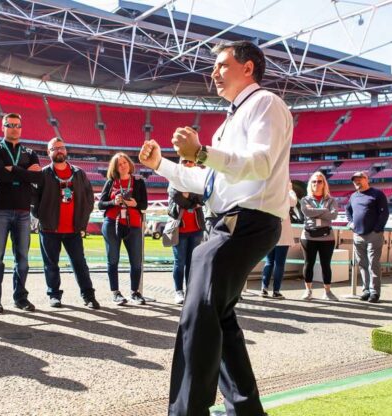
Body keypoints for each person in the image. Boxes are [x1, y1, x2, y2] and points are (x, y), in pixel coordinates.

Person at [139, 40, 292, 416]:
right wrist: (162, 164)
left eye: (222, 65)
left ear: (248, 68)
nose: (214, 73)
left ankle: (187, 410)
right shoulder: (231, 118)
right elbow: (208, 182)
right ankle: (245, 409)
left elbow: (260, 163)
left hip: (247, 220)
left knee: (199, 310)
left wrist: (202, 152)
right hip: (232, 221)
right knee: (218, 316)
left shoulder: (265, 103)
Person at [33, 138, 100, 309]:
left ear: (66, 150)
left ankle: (88, 295)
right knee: (51, 264)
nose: (58, 151)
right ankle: (54, 295)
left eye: (61, 147)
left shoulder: (79, 173)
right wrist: (43, 217)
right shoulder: (43, 174)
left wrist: (82, 221)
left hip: (73, 229)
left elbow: (89, 198)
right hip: (49, 229)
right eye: (54, 148)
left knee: (80, 263)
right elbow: (34, 200)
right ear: (48, 153)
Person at [0, 113, 42, 313]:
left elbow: (39, 177)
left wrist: (14, 169)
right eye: (10, 125)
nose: (14, 128)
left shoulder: (30, 151)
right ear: (3, 127)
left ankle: (21, 298)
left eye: (18, 125)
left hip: (23, 211)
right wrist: (25, 172)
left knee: (23, 258)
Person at [98, 152, 148, 305]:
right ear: (115, 167)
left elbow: (144, 205)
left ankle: (135, 292)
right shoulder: (111, 182)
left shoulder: (138, 182)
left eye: (125, 162)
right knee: (113, 260)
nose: (123, 166)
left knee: (136, 260)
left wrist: (134, 204)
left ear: (129, 164)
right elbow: (101, 204)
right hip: (112, 223)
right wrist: (113, 201)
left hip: (133, 224)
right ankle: (116, 293)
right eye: (119, 164)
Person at [346, 171, 388, 303]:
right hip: (358, 235)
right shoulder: (353, 196)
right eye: (354, 180)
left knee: (373, 263)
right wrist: (350, 223)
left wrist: (377, 229)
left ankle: (375, 292)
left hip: (373, 235)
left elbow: (384, 213)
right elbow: (348, 210)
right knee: (363, 264)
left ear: (366, 179)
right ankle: (366, 290)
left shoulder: (377, 194)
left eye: (359, 179)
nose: (357, 182)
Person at [167, 159, 205, 305]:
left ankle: (191, 291)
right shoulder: (173, 181)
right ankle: (178, 291)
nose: (188, 164)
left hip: (196, 228)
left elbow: (202, 199)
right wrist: (192, 201)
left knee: (192, 262)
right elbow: (177, 199)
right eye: (184, 161)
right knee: (179, 261)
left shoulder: (199, 179)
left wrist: (188, 197)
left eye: (190, 161)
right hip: (180, 228)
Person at [299, 172, 339, 301]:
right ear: (310, 184)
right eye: (314, 181)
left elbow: (333, 216)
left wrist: (315, 212)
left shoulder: (331, 200)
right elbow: (307, 212)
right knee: (308, 264)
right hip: (308, 236)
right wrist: (324, 211)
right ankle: (308, 291)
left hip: (327, 237)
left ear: (324, 184)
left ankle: (327, 292)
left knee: (326, 264)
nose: (317, 183)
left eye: (320, 181)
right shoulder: (305, 200)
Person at [261, 181, 297, 299]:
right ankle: (275, 291)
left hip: (270, 232)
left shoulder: (268, 192)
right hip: (281, 232)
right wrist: (289, 188)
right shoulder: (285, 193)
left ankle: (264, 288)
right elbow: (293, 201)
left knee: (270, 262)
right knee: (278, 263)